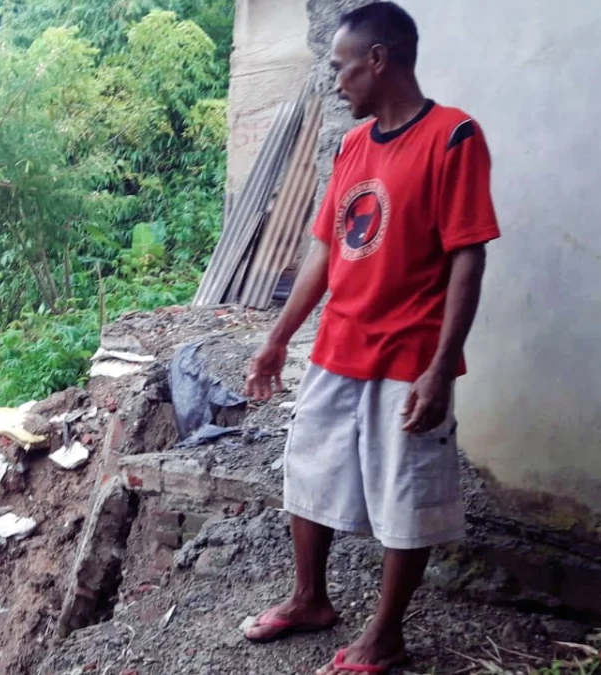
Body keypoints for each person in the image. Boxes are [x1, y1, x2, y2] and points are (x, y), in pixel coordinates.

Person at [241, 3, 500, 674]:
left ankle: (385, 634)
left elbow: (467, 258)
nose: (336, 82)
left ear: (378, 61)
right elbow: (324, 250)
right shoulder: (354, 146)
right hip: (339, 346)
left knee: (406, 493)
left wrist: (441, 368)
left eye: (342, 68)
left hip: (409, 356)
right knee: (310, 473)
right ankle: (309, 598)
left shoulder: (453, 138)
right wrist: (278, 339)